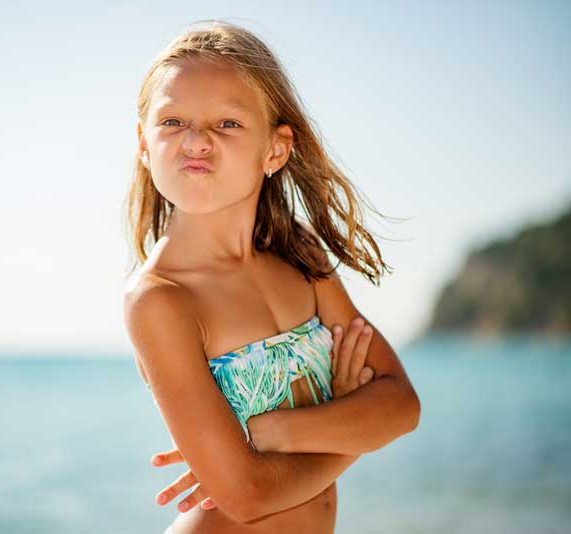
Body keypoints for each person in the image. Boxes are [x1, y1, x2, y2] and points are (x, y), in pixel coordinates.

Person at [122, 19, 421, 533]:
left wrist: (274, 431)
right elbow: (247, 495)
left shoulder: (299, 255)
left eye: (228, 124)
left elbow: (401, 404)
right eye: (172, 122)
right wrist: (349, 425)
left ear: (276, 150)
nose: (196, 141)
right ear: (145, 145)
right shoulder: (161, 300)